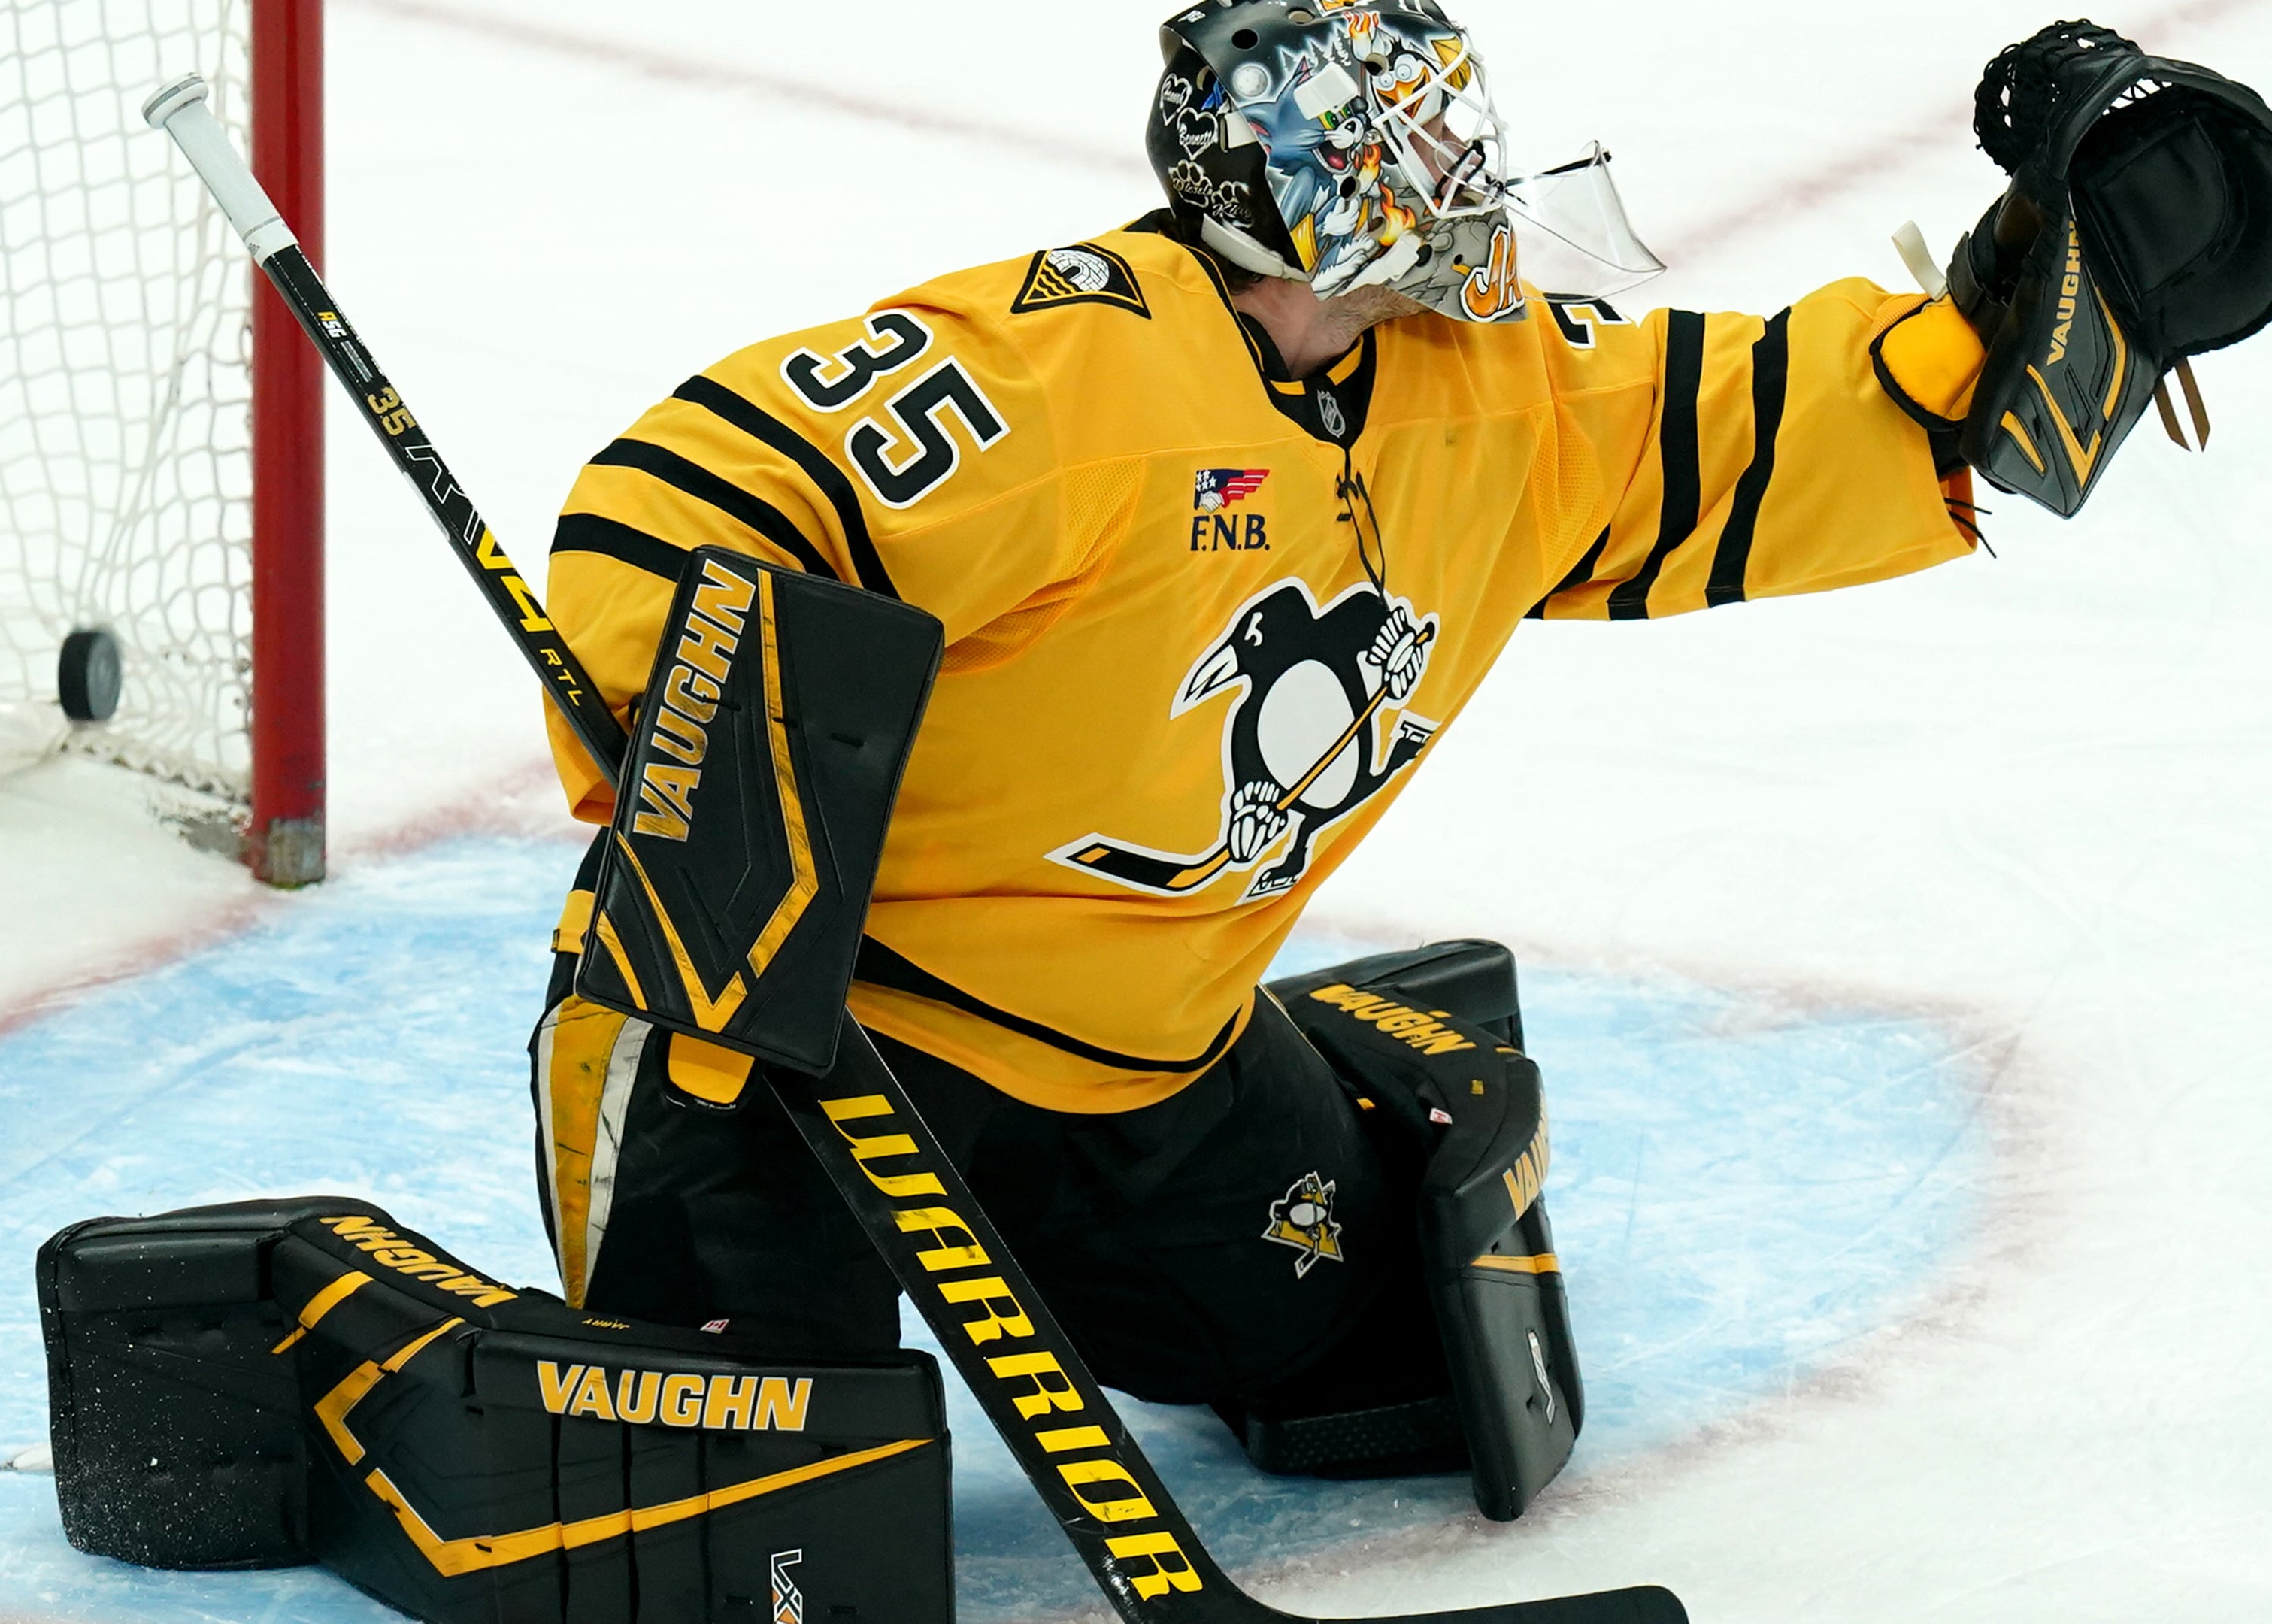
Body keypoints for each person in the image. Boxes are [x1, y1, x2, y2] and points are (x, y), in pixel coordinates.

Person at [528, 0, 2016, 1471]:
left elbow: (1741, 422)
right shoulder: (1070, 372)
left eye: (1460, 125)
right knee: (749, 1509)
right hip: (812, 1042)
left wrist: (2003, 342)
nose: (1469, 171)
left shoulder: (1484, 387)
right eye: (1423, 136)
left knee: (1376, 1371)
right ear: (1306, 170)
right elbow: (682, 501)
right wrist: (700, 787)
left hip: (1149, 1050)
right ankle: (371, 1347)